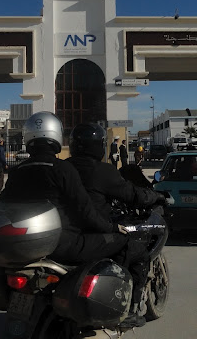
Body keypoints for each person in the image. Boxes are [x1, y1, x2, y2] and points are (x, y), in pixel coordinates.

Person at [0, 112, 130, 273]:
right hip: (62, 244)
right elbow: (85, 211)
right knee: (123, 240)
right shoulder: (63, 169)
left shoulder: (17, 170)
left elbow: (1, 207)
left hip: (25, 245)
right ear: (56, 135)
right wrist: (112, 227)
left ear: (27, 137)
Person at [68, 123, 168, 328]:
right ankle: (129, 310)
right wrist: (155, 196)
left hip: (66, 234)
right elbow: (132, 194)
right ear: (98, 146)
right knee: (139, 254)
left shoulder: (65, 167)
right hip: (95, 234)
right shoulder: (102, 171)